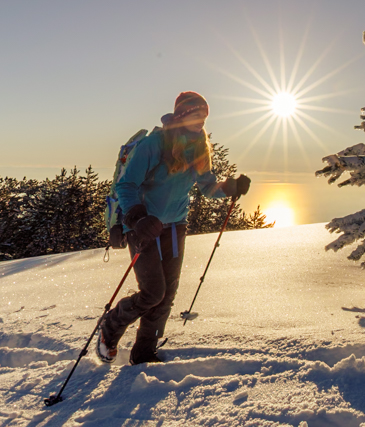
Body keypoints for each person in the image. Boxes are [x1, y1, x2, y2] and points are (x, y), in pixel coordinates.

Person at [97, 91, 250, 365]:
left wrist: (229, 188)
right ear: (180, 116)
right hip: (143, 226)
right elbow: (126, 185)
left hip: (175, 226)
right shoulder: (153, 145)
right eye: (195, 115)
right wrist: (136, 217)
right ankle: (111, 327)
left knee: (167, 295)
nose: (201, 121)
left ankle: (144, 351)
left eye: (204, 116)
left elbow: (206, 186)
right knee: (153, 292)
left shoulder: (199, 146)